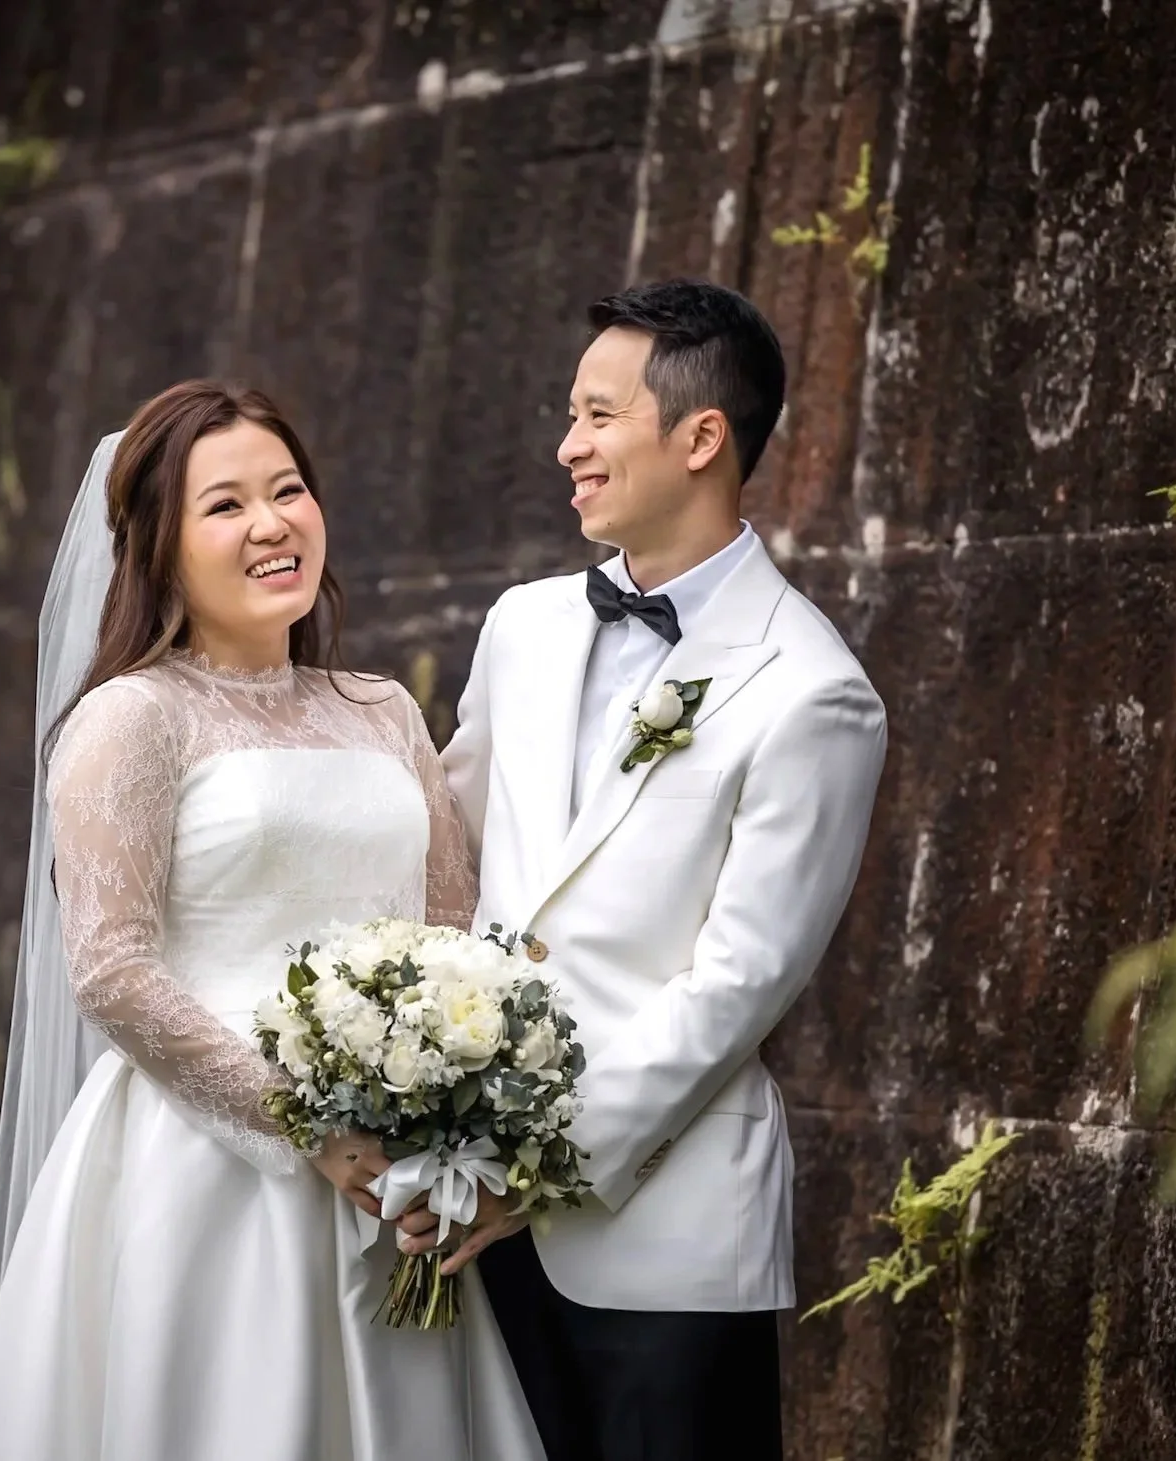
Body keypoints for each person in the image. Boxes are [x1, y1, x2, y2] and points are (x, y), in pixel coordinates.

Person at [0, 381, 543, 1461]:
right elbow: (112, 968)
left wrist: (444, 1126)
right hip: (205, 1168)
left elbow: (453, 934)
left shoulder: (383, 710)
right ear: (159, 549)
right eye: (225, 506)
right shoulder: (131, 719)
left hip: (390, 1182)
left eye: (290, 490)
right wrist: (312, 1128)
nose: (273, 523)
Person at [417, 279, 888, 1461]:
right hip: (466, 1210)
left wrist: (542, 1164)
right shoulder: (521, 625)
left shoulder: (811, 692)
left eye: (596, 415)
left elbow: (739, 985)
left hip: (661, 1238)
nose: (565, 445)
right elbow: (448, 859)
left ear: (699, 437)